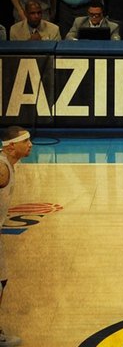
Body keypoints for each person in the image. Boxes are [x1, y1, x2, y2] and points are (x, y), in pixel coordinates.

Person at [0, 126, 33, 347]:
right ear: (12, 147)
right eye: (25, 141)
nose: (30, 145)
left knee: (2, 281)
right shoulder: (1, 168)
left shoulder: (9, 164)